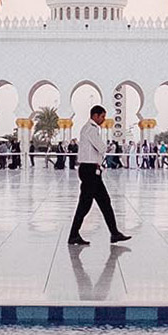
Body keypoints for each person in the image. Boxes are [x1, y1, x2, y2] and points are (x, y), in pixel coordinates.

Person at [68, 105, 130, 246]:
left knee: (103, 202)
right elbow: (101, 147)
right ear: (95, 116)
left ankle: (114, 233)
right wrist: (107, 147)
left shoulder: (89, 128)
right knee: (87, 204)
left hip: (90, 170)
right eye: (102, 116)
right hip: (90, 171)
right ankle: (74, 235)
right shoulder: (91, 129)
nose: (103, 119)